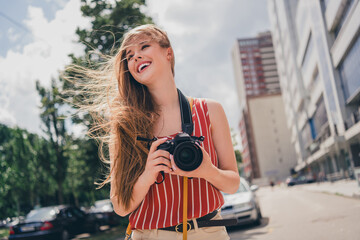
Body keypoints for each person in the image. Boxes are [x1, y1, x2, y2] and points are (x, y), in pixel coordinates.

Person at [83, 24, 240, 240]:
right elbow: (120, 206)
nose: (136, 56)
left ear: (168, 53)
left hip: (208, 231)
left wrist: (207, 170)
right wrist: (148, 174)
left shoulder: (210, 110)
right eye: (129, 56)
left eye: (144, 46)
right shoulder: (124, 127)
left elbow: (233, 183)